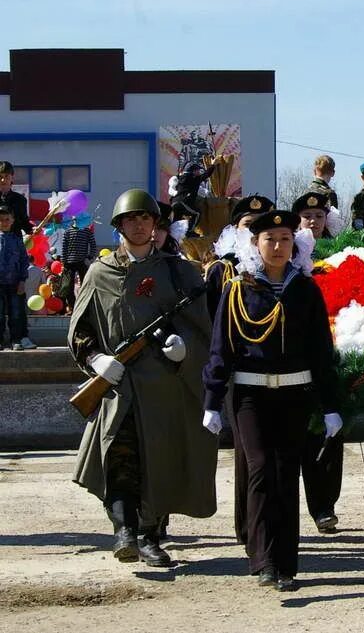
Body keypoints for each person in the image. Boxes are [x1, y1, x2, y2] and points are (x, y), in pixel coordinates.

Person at [69, 189, 216, 568]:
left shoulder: (178, 272)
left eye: (145, 219)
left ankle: (150, 536)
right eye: (130, 219)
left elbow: (203, 328)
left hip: (164, 387)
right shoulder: (99, 273)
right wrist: (96, 358)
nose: (138, 225)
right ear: (119, 225)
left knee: (159, 461)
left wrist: (184, 349)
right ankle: (124, 531)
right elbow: (80, 329)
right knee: (118, 456)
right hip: (118, 387)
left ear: (155, 225)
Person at [202, 209, 342, 591]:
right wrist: (212, 400)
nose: (278, 247)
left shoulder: (306, 288)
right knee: (261, 469)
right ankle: (263, 559)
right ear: (255, 244)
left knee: (286, 473)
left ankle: (285, 564)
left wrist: (331, 406)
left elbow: (320, 351)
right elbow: (221, 347)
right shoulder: (238, 288)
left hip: (295, 392)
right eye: (270, 239)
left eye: (284, 239)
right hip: (251, 393)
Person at [203, 194, 274, 545]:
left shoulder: (281, 269)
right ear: (234, 229)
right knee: (248, 454)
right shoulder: (222, 270)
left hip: (276, 373)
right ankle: (248, 529)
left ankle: (267, 529)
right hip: (236, 372)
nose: (253, 235)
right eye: (248, 227)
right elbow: (212, 325)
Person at [0, 206, 32, 350]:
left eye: (7, 219)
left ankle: (16, 339)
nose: (4, 222)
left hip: (14, 283)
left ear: (12, 221)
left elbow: (24, 261)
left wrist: (22, 281)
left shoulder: (17, 240)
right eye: (1, 220)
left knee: (16, 313)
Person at [61, 220, 98, 311]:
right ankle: (72, 307)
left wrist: (90, 257)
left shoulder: (86, 231)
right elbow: (64, 248)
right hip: (69, 263)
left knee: (86, 285)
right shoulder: (68, 231)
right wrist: (63, 262)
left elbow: (93, 244)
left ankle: (85, 306)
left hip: (82, 261)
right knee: (68, 287)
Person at [0, 161, 32, 236]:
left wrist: (33, 229)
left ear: (12, 177)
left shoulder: (20, 199)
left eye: (6, 176)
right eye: (0, 177)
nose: (3, 180)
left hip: (16, 243)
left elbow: (25, 223)